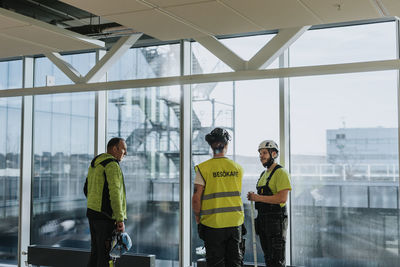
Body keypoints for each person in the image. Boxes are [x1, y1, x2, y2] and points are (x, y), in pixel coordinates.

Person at [192, 127, 245, 267]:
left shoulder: (203, 168)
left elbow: (196, 198)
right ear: (226, 145)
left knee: (215, 263)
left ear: (211, 146)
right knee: (235, 262)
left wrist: (198, 219)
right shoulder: (238, 168)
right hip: (235, 224)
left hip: (212, 225)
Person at [84, 137, 127, 267]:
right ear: (115, 149)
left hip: (93, 214)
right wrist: (119, 219)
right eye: (123, 149)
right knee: (106, 256)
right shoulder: (112, 165)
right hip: (106, 217)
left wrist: (95, 204)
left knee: (96, 252)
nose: (125, 153)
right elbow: (115, 194)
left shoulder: (95, 164)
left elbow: (86, 189)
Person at [247, 140, 291, 267]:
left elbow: (282, 198)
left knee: (276, 260)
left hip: (276, 222)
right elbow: (261, 197)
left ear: (274, 154)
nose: (261, 156)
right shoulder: (263, 174)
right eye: (260, 153)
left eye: (265, 153)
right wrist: (254, 197)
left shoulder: (281, 172)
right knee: (268, 259)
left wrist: (258, 198)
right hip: (263, 221)